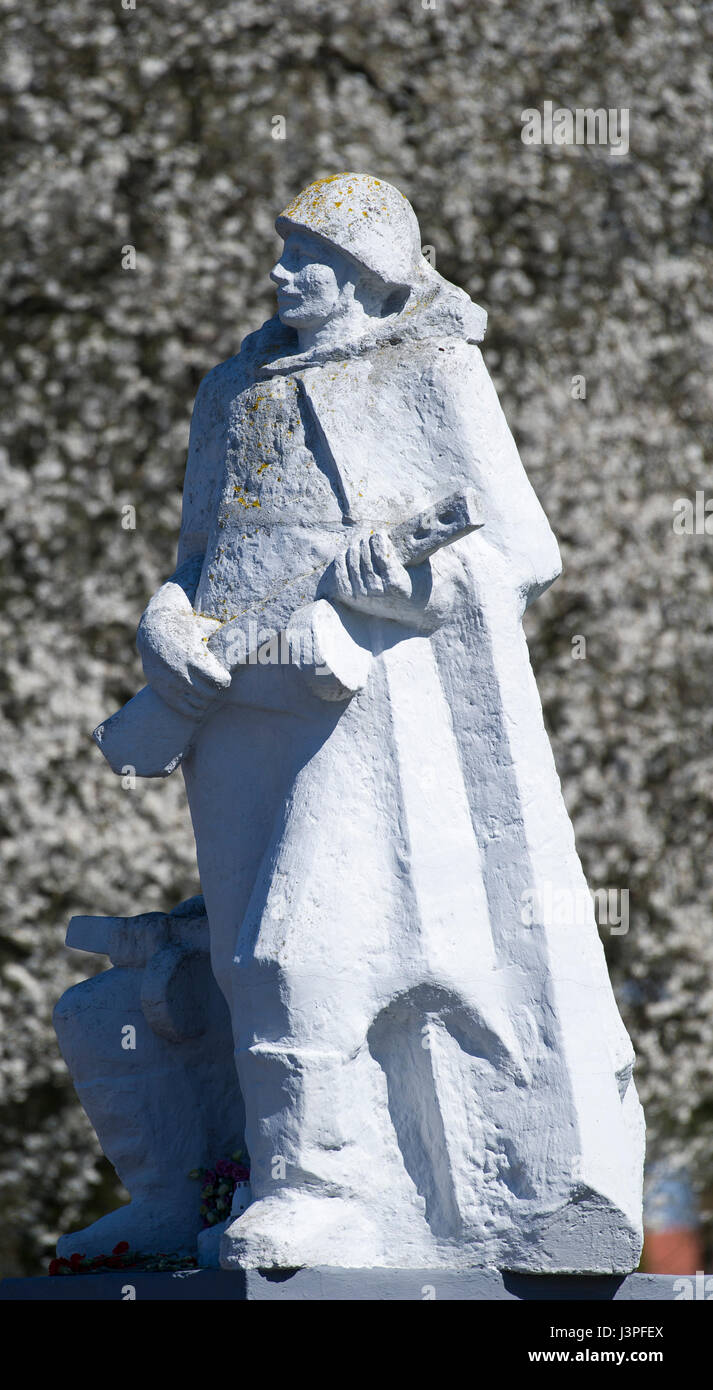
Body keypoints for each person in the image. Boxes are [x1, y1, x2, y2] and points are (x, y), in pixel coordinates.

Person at [128, 173, 645, 1270]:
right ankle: (286, 1177)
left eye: (305, 252)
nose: (278, 271)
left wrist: (400, 581)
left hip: (363, 706)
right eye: (280, 246)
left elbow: (523, 551)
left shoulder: (431, 368)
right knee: (238, 958)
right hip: (230, 711)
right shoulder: (230, 390)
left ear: (372, 269)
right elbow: (193, 560)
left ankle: (327, 1188)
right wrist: (162, 622)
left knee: (300, 945)